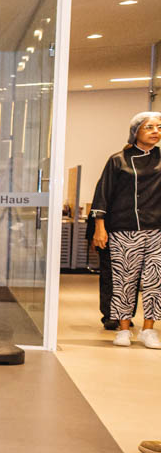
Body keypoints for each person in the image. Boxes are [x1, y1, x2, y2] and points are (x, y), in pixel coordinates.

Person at [90, 111, 161, 348]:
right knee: (124, 280)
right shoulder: (118, 160)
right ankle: (123, 330)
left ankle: (149, 330)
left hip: (156, 230)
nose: (156, 131)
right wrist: (100, 227)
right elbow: (102, 194)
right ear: (135, 131)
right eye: (149, 127)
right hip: (124, 229)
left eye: (159, 127)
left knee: (154, 282)